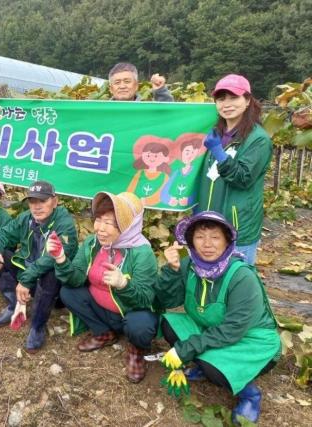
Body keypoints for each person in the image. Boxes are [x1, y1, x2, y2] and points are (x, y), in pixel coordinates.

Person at [156, 211, 280, 425]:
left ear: (226, 241)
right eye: (200, 237)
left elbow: (233, 329)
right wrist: (172, 271)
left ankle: (250, 395)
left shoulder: (242, 277)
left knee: (212, 367)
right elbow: (168, 300)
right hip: (211, 328)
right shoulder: (189, 266)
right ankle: (204, 364)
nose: (207, 244)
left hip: (250, 340)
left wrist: (186, 349)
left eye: (215, 237)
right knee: (168, 324)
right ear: (191, 242)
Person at [50, 191, 158, 383]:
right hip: (100, 308)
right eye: (98, 220)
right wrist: (61, 259)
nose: (99, 228)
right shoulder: (93, 243)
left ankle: (136, 350)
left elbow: (145, 298)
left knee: (141, 325)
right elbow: (75, 278)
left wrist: (123, 284)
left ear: (128, 226)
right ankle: (105, 332)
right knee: (68, 292)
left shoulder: (143, 253)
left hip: (128, 313)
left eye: (109, 223)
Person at [0, 180, 78, 353]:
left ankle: (37, 326)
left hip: (57, 283)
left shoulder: (65, 224)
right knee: (1, 256)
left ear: (55, 201)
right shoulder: (26, 218)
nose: (36, 207)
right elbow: (2, 234)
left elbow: (52, 257)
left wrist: (26, 280)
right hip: (29, 271)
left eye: (42, 201)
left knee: (50, 272)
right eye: (32, 201)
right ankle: (13, 305)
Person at [196, 74, 272, 265]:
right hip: (209, 226)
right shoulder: (215, 133)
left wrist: (218, 152)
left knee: (236, 283)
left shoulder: (258, 139)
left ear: (247, 100)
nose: (226, 104)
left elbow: (242, 177)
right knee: (208, 281)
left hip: (237, 227)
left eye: (233, 98)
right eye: (221, 99)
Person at [108, 62, 173, 102]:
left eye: (127, 81)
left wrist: (160, 91)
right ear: (111, 89)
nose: (122, 86)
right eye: (117, 82)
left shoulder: (148, 109)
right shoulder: (101, 112)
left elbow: (168, 115)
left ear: (136, 86)